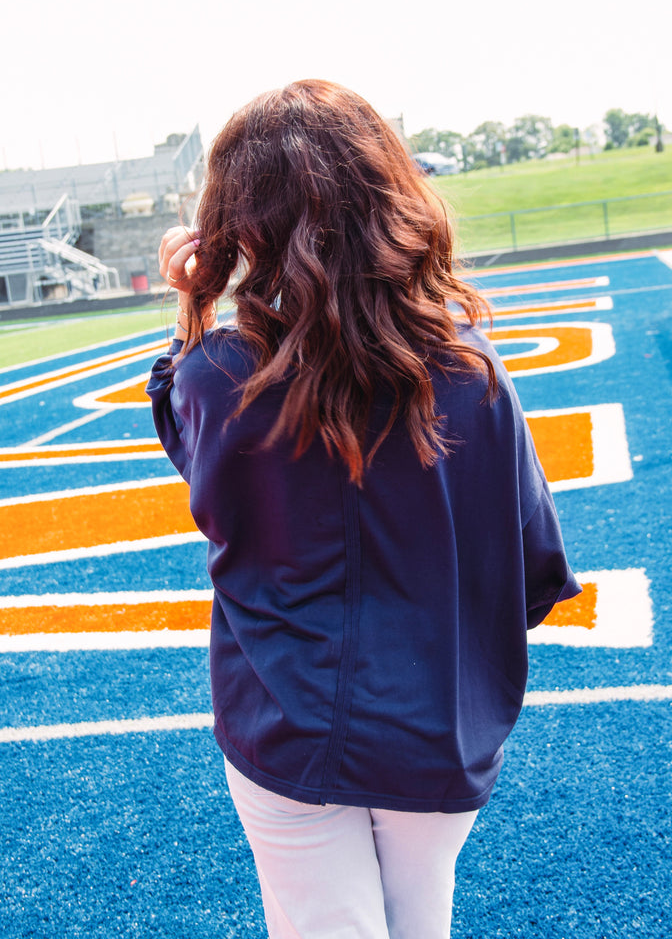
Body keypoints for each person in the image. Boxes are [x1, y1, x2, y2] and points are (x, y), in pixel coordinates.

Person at [146, 79, 580, 939]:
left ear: (237, 226)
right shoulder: (471, 372)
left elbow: (186, 437)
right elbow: (533, 568)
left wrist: (193, 308)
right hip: (438, 724)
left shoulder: (215, 375)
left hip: (286, 718)